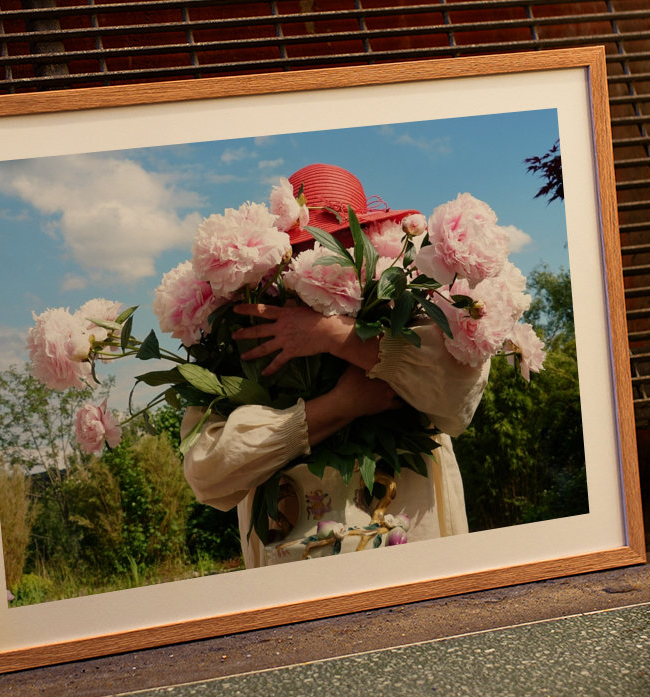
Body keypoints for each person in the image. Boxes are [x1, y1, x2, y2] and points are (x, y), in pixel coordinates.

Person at [181, 164, 489, 569]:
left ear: (371, 250)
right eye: (303, 250)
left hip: (411, 566)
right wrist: (342, 404)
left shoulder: (413, 308)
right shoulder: (241, 337)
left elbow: (459, 394)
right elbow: (207, 470)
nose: (319, 262)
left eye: (340, 244)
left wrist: (329, 333)